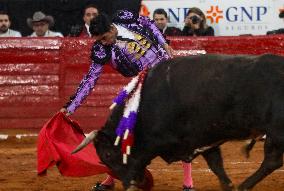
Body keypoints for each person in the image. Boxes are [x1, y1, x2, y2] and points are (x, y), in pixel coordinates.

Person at [60, 10, 194, 191]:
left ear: (111, 28)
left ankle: (188, 184)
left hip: (168, 75)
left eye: (104, 37)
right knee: (123, 131)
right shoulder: (101, 49)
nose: (103, 42)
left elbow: (148, 23)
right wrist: (70, 107)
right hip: (144, 85)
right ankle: (110, 181)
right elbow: (90, 79)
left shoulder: (123, 17)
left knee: (179, 127)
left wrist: (164, 43)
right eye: (98, 40)